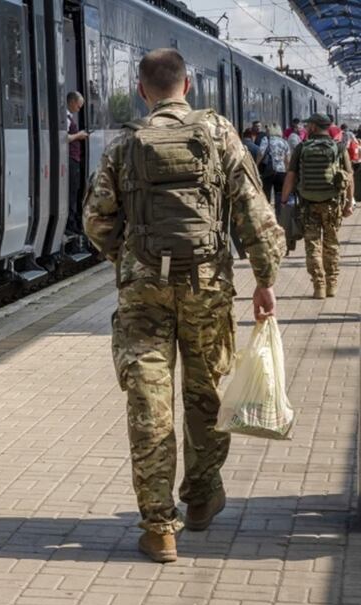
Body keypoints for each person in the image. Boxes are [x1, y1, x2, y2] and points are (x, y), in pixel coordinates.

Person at [83, 48, 284, 564]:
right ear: (188, 86)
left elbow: (97, 221)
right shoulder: (219, 134)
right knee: (204, 394)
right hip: (207, 287)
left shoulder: (125, 143)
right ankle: (199, 500)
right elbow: (254, 215)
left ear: (143, 89)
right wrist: (265, 279)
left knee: (149, 402)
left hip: (143, 290)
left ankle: (158, 527)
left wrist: (127, 260)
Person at [280, 113, 355, 298]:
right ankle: (332, 284)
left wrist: (283, 200)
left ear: (313, 127)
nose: (306, 127)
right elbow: (349, 176)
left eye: (308, 125)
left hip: (308, 205)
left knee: (312, 245)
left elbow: (291, 176)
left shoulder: (302, 148)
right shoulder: (338, 148)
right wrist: (348, 203)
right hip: (332, 204)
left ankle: (318, 286)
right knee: (331, 244)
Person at [65, 92, 90, 235]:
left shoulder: (70, 117)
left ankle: (73, 223)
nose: (79, 109)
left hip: (74, 159)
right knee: (72, 193)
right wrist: (78, 135)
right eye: (79, 106)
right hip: (70, 159)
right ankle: (70, 225)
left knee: (75, 192)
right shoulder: (65, 117)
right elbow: (64, 137)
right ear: (72, 101)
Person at [257, 123, 291, 212]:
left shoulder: (266, 139)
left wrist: (256, 165)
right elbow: (287, 159)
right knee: (279, 194)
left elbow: (261, 153)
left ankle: (267, 214)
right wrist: (287, 172)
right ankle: (279, 215)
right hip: (281, 172)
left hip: (268, 171)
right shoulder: (284, 142)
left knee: (266, 193)